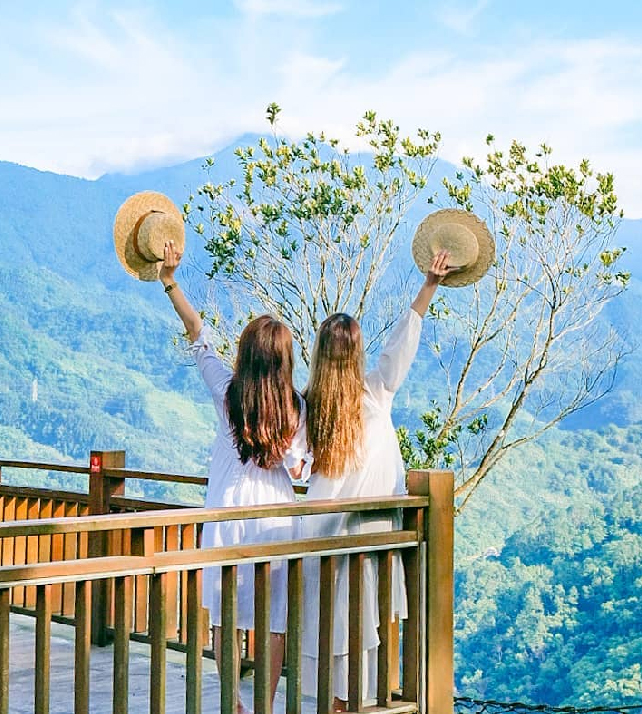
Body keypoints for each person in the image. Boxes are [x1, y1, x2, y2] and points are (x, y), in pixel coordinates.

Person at [299, 250, 454, 706]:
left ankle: (336, 702)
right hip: (375, 533)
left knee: (332, 622)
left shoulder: (311, 405)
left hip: (325, 533)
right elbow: (404, 341)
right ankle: (358, 701)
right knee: (365, 621)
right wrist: (429, 286)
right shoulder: (375, 392)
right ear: (356, 353)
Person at [159, 241, 307, 714]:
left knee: (226, 615)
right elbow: (298, 467)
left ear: (245, 354)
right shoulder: (295, 407)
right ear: (284, 361)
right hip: (276, 519)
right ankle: (265, 704)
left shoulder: (227, 392)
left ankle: (233, 704)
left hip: (226, 514)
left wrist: (170, 282)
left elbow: (198, 335)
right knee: (274, 620)